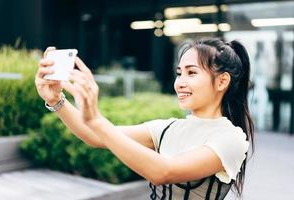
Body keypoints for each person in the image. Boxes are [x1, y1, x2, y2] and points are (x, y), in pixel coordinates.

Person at [35, 38, 254, 200]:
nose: (180, 82)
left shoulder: (231, 139)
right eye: (179, 73)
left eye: (192, 73)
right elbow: (96, 137)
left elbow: (163, 171)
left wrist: (96, 119)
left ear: (222, 81)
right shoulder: (168, 127)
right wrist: (56, 100)